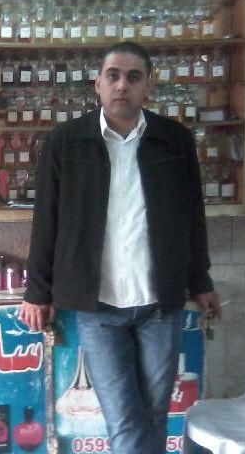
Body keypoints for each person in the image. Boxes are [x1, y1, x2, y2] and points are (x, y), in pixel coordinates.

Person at [19, 41, 222, 454]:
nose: (122, 85)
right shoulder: (67, 141)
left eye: (133, 77)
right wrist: (38, 290)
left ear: (148, 86)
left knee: (154, 414)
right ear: (98, 83)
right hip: (99, 307)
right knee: (125, 419)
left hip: (159, 303)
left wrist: (200, 280)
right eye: (113, 76)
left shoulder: (174, 140)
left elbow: (191, 217)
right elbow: (47, 220)